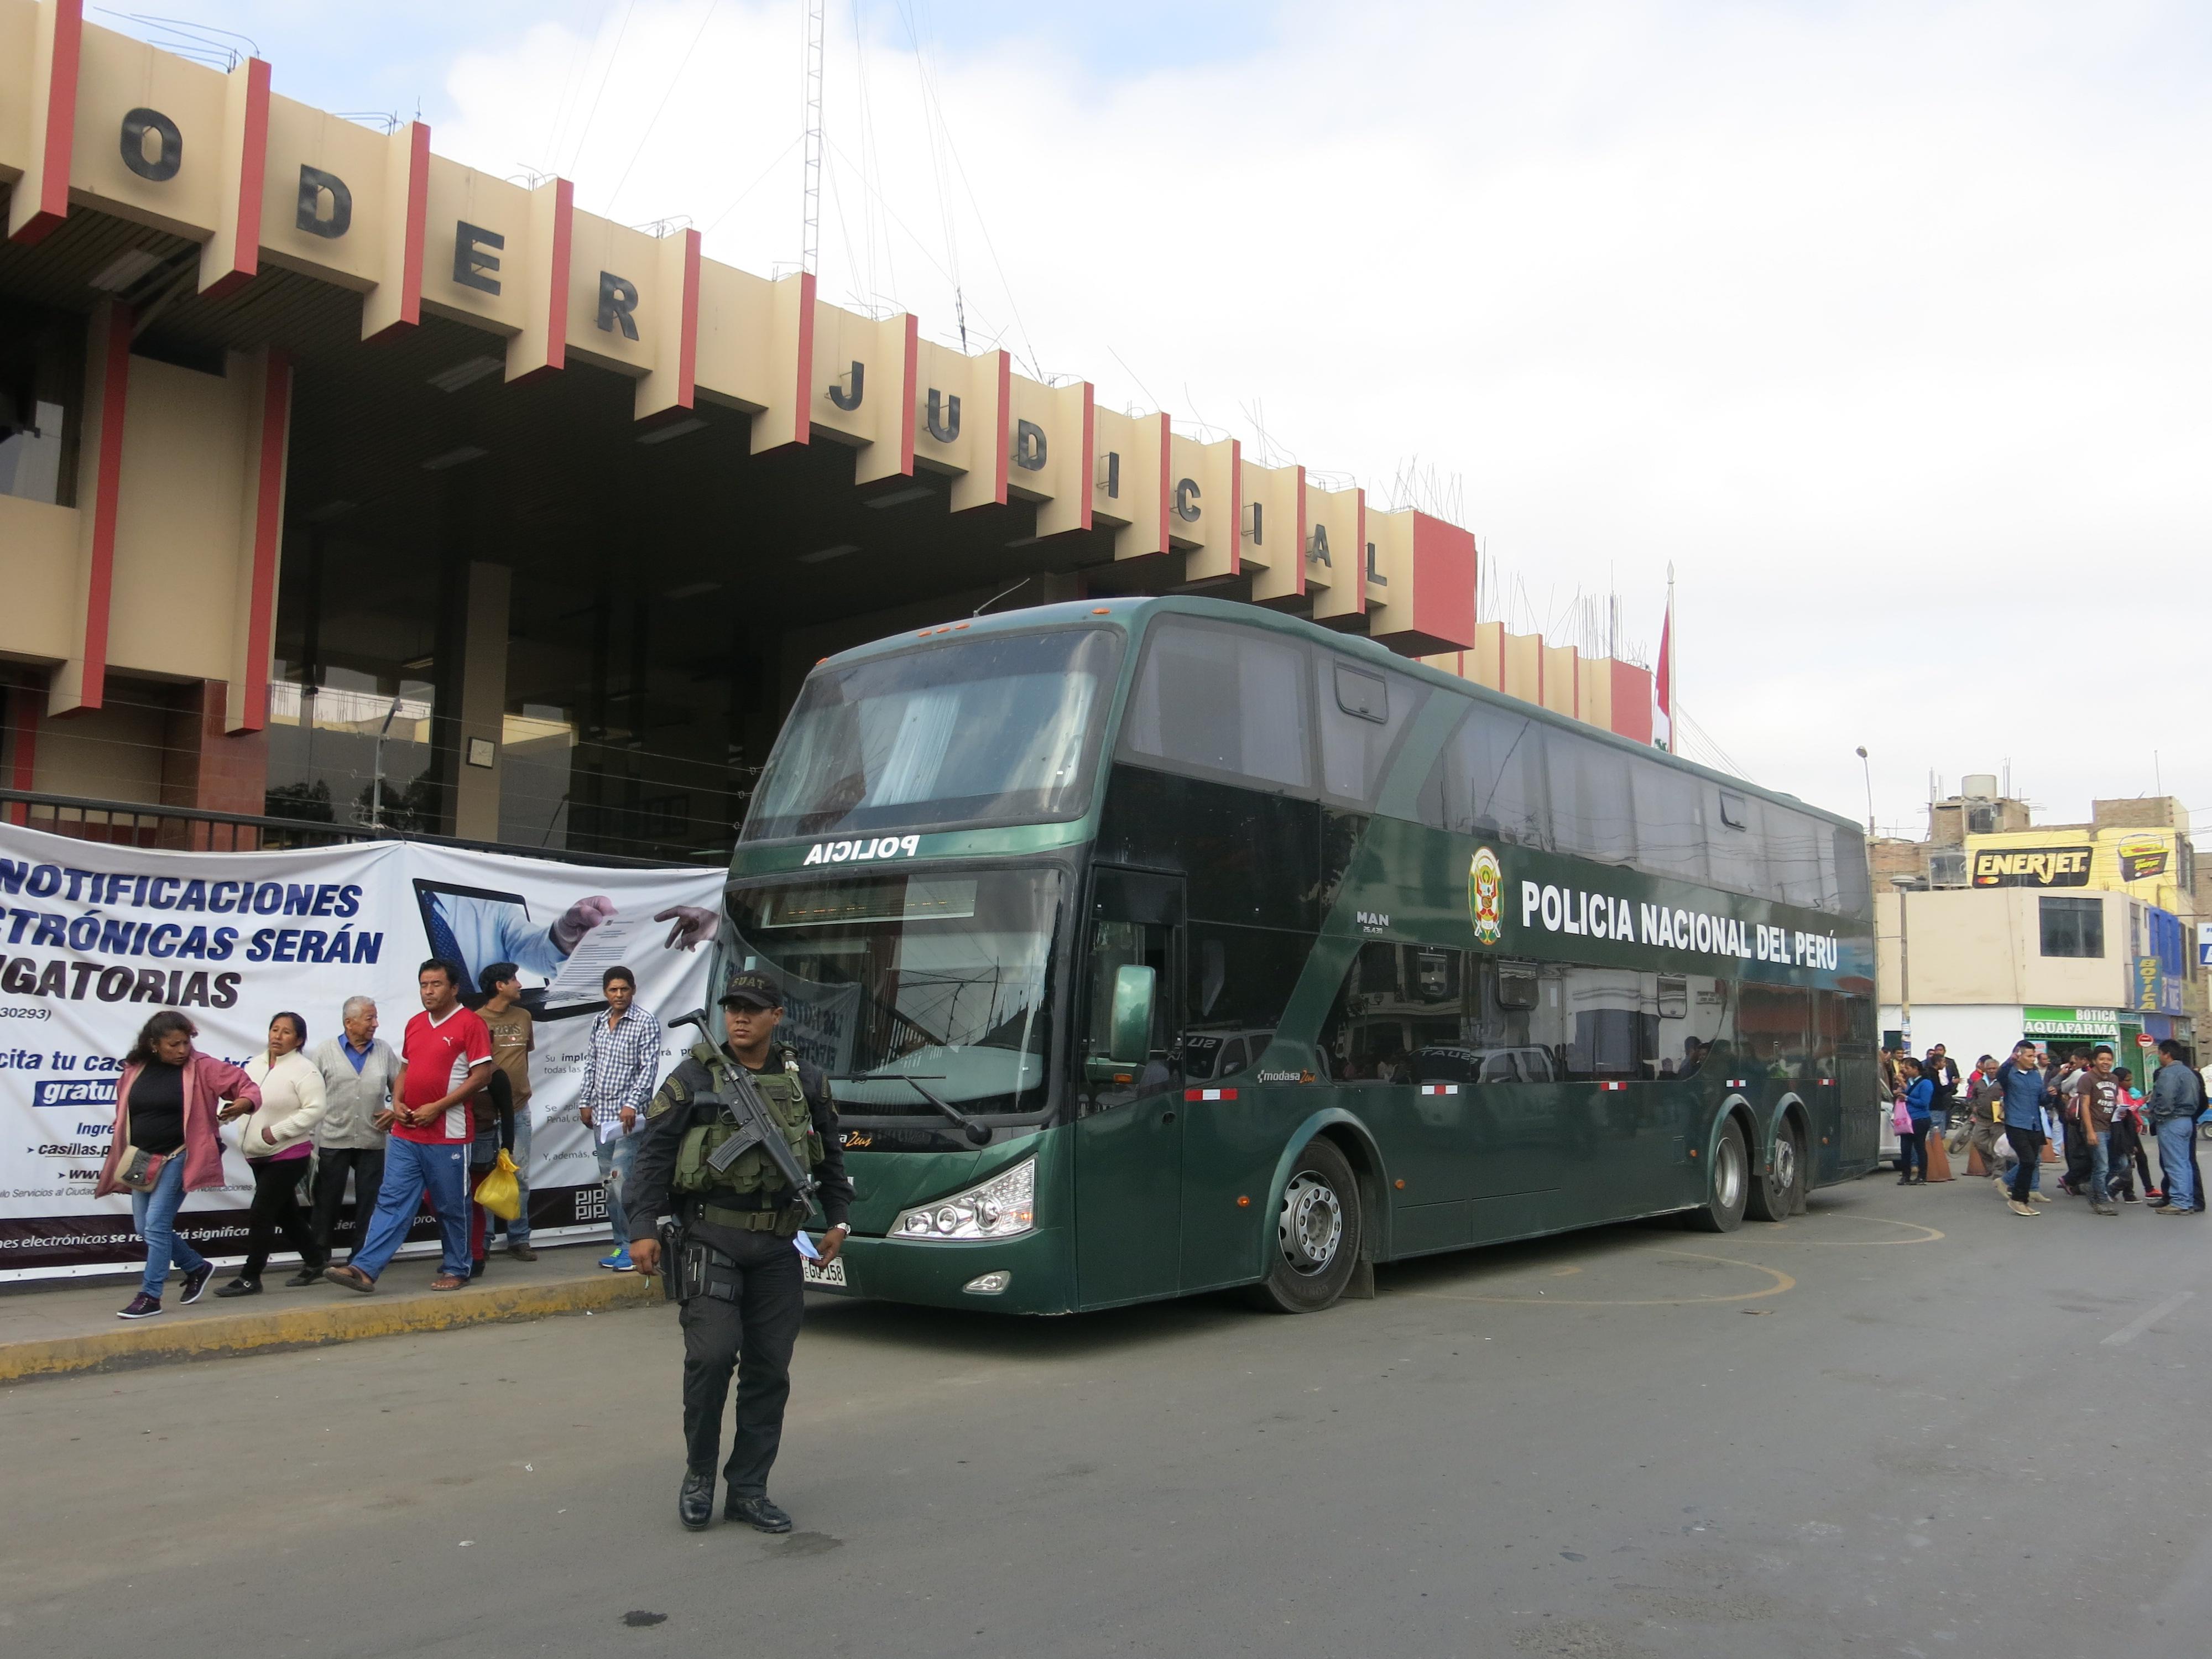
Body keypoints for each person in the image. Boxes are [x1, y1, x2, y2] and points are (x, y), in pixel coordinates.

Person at [627, 971, 853, 1534]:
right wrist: (642, 1228)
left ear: (777, 1016)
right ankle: (700, 1476)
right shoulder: (693, 1077)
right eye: (732, 1008)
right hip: (710, 1237)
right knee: (710, 1358)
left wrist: (839, 1218)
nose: (739, 1018)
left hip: (777, 1246)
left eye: (752, 1009)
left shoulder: (808, 1082)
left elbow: (829, 1159)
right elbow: (652, 1154)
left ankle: (749, 1489)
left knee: (769, 1369)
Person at [325, 960, 493, 1293]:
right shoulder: (415, 1024)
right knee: (391, 1200)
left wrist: (438, 1107)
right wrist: (397, 1103)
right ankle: (365, 1269)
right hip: (406, 1133)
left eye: (436, 985)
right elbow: (404, 1070)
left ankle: (458, 1268)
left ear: (454, 988)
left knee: (450, 1205)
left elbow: (483, 1076)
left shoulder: (470, 1024)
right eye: (424, 985)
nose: (428, 992)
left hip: (448, 1134)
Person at [95, 1010, 259, 1320]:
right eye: (174, 1045)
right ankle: (197, 1267)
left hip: (179, 1155)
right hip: (142, 1157)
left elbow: (245, 1085)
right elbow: (125, 1111)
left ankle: (151, 1295)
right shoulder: (135, 1069)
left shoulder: (202, 1067)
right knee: (144, 1228)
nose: (183, 1050)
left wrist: (244, 1103)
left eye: (186, 1043)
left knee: (156, 1225)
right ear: (154, 1044)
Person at [214, 1012, 331, 1295]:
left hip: (288, 1152)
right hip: (257, 1154)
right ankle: (316, 1262)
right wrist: (229, 1114)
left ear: (299, 1040)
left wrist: (278, 1132)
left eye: (286, 1032)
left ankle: (250, 1277)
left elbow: (316, 1109)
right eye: (274, 1030)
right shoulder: (254, 1064)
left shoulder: (306, 1070)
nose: (277, 1036)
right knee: (287, 1214)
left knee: (262, 1212)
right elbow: (247, 1100)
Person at [307, 997, 401, 1267]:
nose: (376, 1024)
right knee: (326, 1203)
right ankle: (318, 1259)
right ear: (349, 1023)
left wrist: (395, 1110)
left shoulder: (383, 1051)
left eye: (375, 1017)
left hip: (372, 1139)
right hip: (333, 1139)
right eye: (369, 1018)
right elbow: (311, 1096)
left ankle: (361, 1259)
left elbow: (401, 1088)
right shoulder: (325, 1052)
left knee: (370, 1204)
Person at [581, 964, 660, 1273]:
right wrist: (585, 1101)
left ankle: (633, 1245)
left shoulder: (644, 1022)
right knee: (608, 1185)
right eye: (613, 990)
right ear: (605, 993)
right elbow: (591, 1064)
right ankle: (620, 1244)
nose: (618, 995)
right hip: (601, 1117)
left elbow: (648, 1069)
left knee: (622, 1182)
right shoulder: (599, 1021)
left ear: (633, 990)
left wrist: (631, 1104)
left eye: (623, 989)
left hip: (630, 1119)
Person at [477, 963, 537, 1261]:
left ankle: (519, 1238)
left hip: (519, 1110)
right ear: (500, 985)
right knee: (486, 1178)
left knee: (519, 1177)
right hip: (486, 1114)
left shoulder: (525, 1016)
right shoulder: (474, 1021)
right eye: (514, 980)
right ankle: (483, 1240)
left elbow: (523, 1055)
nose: (520, 985)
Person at [1996, 1039, 2053, 1218]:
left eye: (2034, 1056)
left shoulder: (2035, 1075)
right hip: (2016, 1123)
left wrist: (2051, 1095)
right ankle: (2017, 1199)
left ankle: (2024, 1199)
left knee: (2032, 1162)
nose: (2033, 1060)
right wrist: (2009, 1061)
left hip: (2035, 1124)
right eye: (2029, 1056)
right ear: (2018, 1056)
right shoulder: (2010, 1074)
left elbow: (2042, 1099)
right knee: (2027, 1160)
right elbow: (2000, 1074)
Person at [2146, 1039, 2203, 1216]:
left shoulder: (2169, 1073)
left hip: (2172, 1121)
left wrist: (2158, 1115)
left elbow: (2166, 1099)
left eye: (2160, 1054)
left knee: (2174, 1164)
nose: (2159, 1057)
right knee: (2184, 1163)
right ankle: (2187, 1200)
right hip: (2187, 1120)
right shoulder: (2188, 1073)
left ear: (2167, 1054)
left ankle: (2179, 1202)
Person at [2072, 1047, 2121, 1216]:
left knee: (2121, 1164)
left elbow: (2115, 1101)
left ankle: (2091, 1186)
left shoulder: (2114, 1079)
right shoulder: (2087, 1079)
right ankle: (2099, 1201)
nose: (2106, 1062)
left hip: (2112, 1128)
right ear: (2094, 1061)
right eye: (2102, 1059)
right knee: (2102, 1166)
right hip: (2096, 1128)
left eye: (2109, 1059)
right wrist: (2090, 1131)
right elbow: (2084, 1106)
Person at [2107, 1066, 2150, 1202]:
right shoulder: (2119, 1092)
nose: (2131, 1083)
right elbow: (2129, 1108)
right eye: (2128, 1080)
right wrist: (2142, 1101)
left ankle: (2128, 1193)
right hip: (2123, 1131)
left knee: (2129, 1162)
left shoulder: (2125, 1092)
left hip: (2129, 1130)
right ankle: (2110, 1189)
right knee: (2125, 1164)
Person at [1963, 1055, 2007, 1182]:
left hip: (1998, 1120)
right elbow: (1972, 1098)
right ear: (1985, 1069)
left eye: (1995, 1068)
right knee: (1978, 1142)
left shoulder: (2003, 1082)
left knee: (1999, 1147)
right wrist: (1973, 1106)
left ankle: (1999, 1173)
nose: (1992, 1071)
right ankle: (1991, 1167)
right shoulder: (1979, 1083)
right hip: (1982, 1119)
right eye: (1990, 1069)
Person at [1896, 1056, 1932, 1185]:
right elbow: (1908, 1093)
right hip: (1907, 1120)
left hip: (1920, 1119)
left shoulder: (1926, 1083)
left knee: (1919, 1148)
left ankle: (1922, 1176)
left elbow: (1924, 1102)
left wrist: (1907, 1099)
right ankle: (1906, 1175)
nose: (1905, 1070)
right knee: (1905, 1148)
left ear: (1916, 1069)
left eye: (1907, 1068)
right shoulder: (1910, 1082)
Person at [1923, 1044, 1960, 1131]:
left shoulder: (1950, 1063)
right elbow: (1938, 1089)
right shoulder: (1930, 1072)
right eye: (1943, 1063)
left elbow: (1956, 1075)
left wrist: (1952, 1089)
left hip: (1946, 1094)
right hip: (1936, 1103)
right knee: (1937, 1129)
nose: (1945, 1065)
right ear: (1938, 1063)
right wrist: (1951, 1084)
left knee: (1946, 1113)